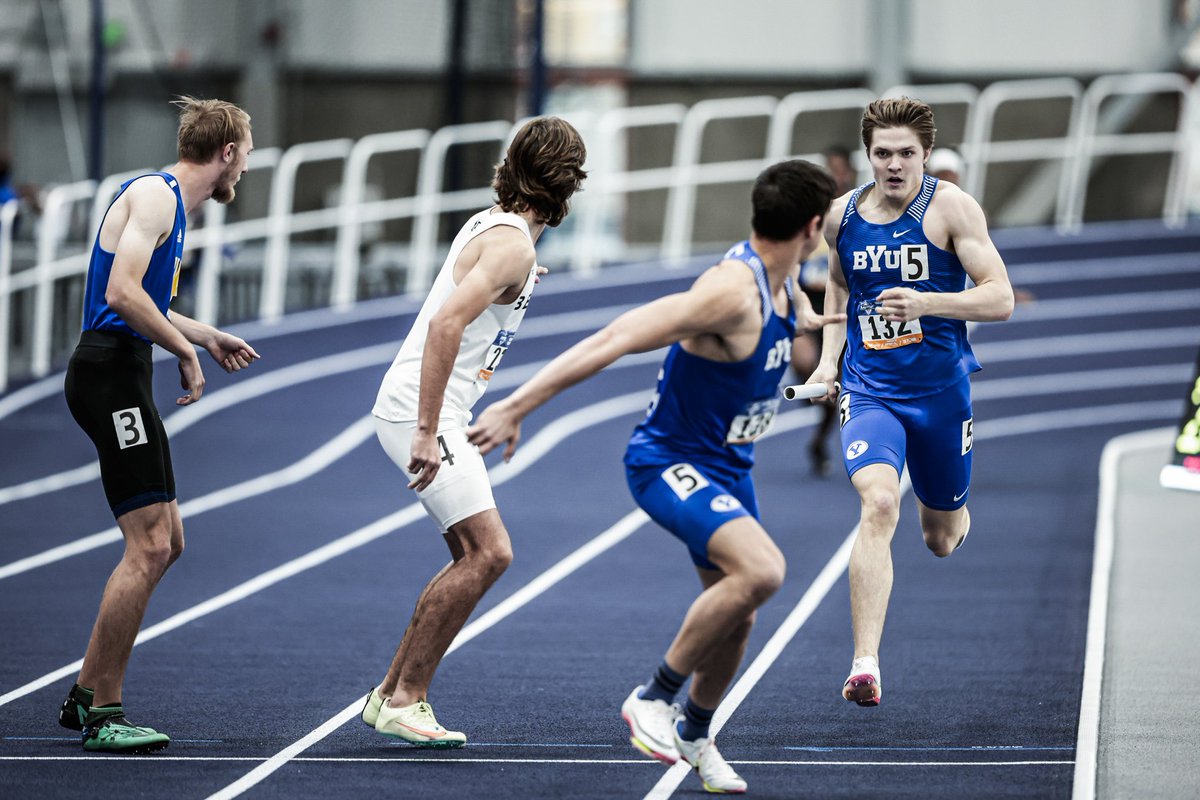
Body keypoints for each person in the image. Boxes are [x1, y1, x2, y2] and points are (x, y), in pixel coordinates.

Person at [467, 159, 841, 793]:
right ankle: (654, 697)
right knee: (764, 571)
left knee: (739, 612)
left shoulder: (785, 281)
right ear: (811, 228)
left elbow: (796, 300)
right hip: (669, 462)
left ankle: (695, 731)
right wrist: (516, 406)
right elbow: (616, 336)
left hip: (730, 466)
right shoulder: (731, 292)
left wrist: (804, 316)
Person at [359, 116, 587, 748]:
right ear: (567, 181)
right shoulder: (514, 246)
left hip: (429, 408)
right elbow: (445, 326)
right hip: (421, 412)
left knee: (470, 555)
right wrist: (427, 431)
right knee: (491, 553)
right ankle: (406, 699)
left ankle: (389, 695)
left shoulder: (498, 227)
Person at [58, 96, 260, 753]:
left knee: (168, 540)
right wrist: (183, 351)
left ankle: (85, 691)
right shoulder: (155, 196)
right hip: (109, 375)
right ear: (226, 152)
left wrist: (203, 334)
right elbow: (120, 294)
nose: (245, 168)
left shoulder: (170, 205)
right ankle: (103, 712)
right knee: (147, 546)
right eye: (245, 155)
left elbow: (143, 301)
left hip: (123, 370)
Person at [804, 97, 1014, 708]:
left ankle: (954, 509)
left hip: (941, 394)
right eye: (882, 153)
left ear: (926, 154)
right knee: (879, 501)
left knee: (939, 538)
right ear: (867, 155)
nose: (894, 165)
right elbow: (839, 284)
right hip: (871, 390)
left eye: (906, 153)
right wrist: (829, 359)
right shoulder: (842, 216)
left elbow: (1000, 298)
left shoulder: (951, 208)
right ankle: (865, 664)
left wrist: (929, 303)